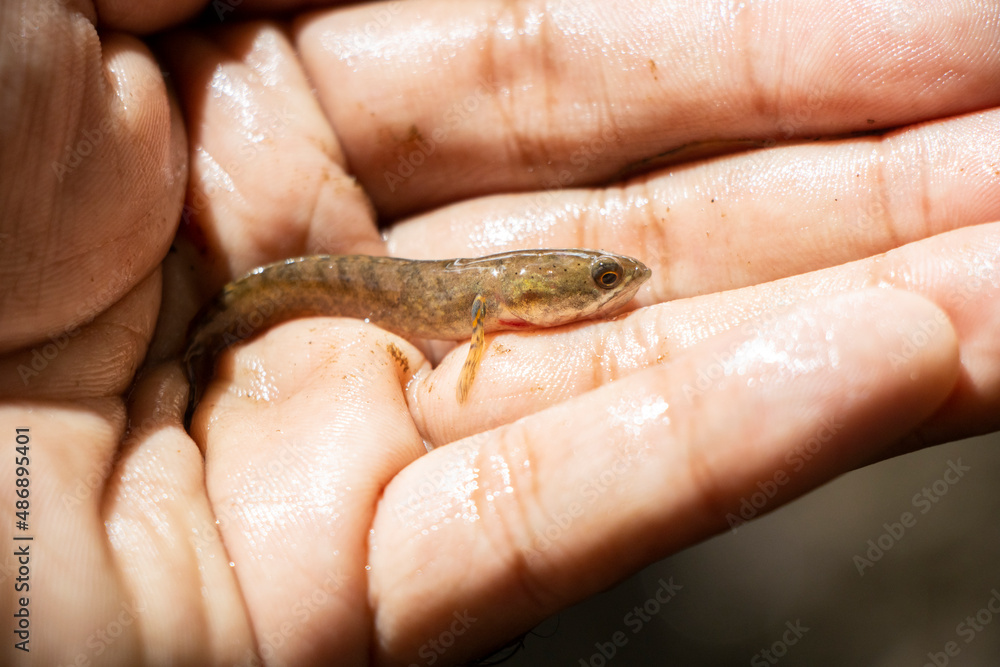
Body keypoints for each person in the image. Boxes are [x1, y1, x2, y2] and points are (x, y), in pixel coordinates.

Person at [1, 1, 998, 664]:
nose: (614, 289)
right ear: (537, 303)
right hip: (230, 311)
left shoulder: (494, 303)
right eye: (599, 282)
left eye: (603, 279)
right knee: (263, 300)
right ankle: (215, 327)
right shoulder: (486, 308)